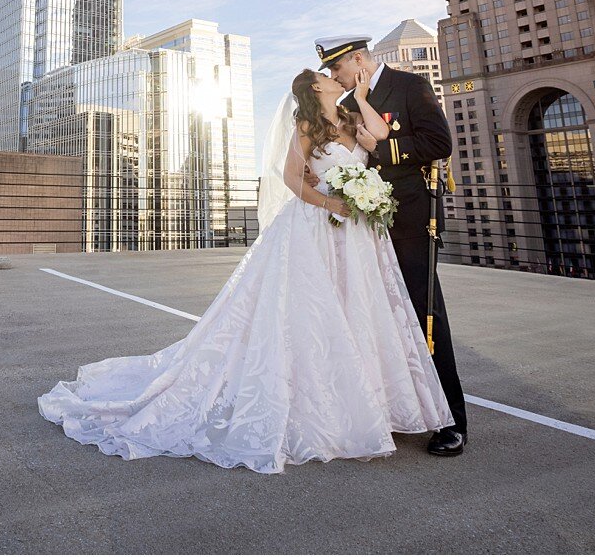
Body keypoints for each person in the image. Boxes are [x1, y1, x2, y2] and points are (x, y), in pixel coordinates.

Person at [36, 65, 453, 473]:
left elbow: (381, 138)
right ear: (313, 89)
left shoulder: (350, 115)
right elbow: (292, 179)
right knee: (309, 312)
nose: (332, 77)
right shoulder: (307, 127)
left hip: (359, 235)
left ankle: (363, 400)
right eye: (324, 76)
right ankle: (316, 405)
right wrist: (333, 204)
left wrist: (361, 100)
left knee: (356, 308)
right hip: (319, 225)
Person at [315, 34, 468, 456]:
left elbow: (439, 143)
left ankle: (450, 420)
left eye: (337, 68)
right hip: (363, 225)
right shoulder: (346, 104)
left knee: (423, 311)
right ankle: (394, 408)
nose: (334, 76)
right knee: (376, 316)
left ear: (359, 60)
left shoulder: (409, 85)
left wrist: (380, 148)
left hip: (408, 217)